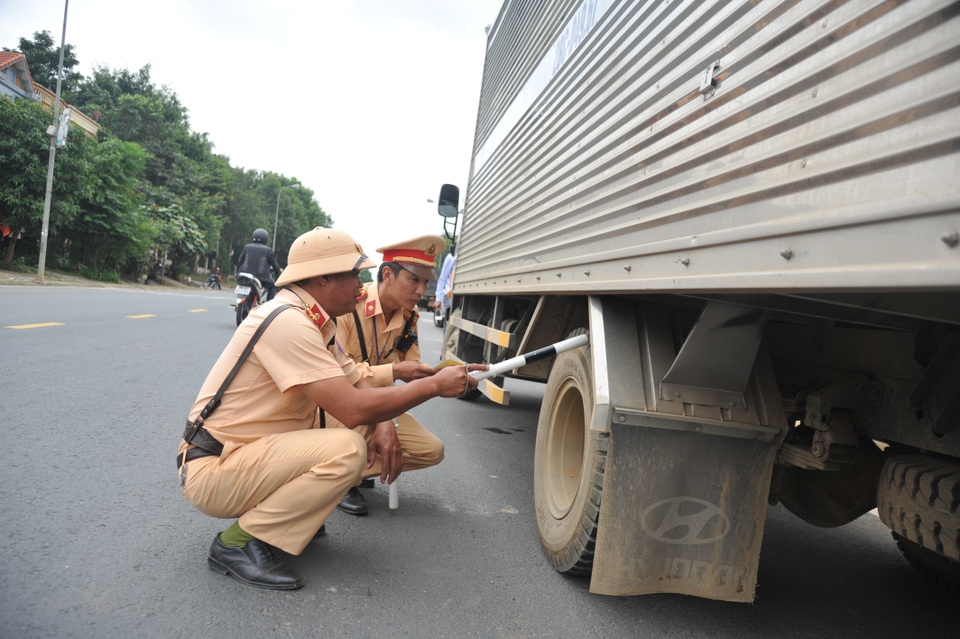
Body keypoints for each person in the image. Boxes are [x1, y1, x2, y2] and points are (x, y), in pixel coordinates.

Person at [178, 227, 486, 590]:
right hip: (214, 470)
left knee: (356, 439)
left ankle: (291, 516)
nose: (361, 284)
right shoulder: (289, 321)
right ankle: (237, 543)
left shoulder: (314, 322)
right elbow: (354, 408)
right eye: (354, 274)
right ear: (323, 277)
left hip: (248, 455)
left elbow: (360, 382)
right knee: (347, 449)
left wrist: (443, 376)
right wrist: (434, 387)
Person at [333, 235, 445, 515]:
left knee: (432, 450)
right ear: (387, 274)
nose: (421, 291)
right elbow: (337, 374)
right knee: (357, 430)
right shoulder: (349, 306)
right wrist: (394, 372)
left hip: (378, 406)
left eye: (426, 283)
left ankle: (356, 470)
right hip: (340, 406)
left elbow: (413, 370)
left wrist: (447, 376)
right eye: (414, 280)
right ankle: (340, 481)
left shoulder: (410, 315)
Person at [235, 228, 283, 300]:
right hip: (262, 279)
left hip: (243, 277)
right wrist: (278, 274)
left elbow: (240, 261)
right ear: (265, 238)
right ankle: (269, 305)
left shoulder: (247, 247)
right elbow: (275, 266)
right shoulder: (268, 250)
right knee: (272, 285)